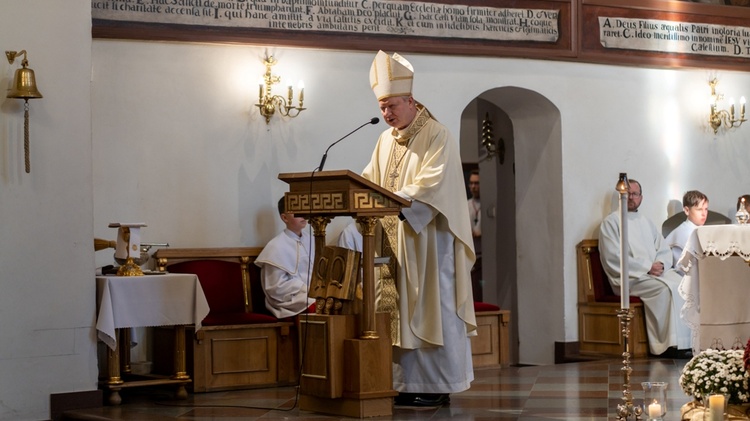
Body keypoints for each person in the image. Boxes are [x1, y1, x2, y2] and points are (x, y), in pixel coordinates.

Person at [363, 50, 476, 406]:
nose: (386, 114)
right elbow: (368, 181)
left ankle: (437, 384)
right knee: (397, 310)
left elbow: (432, 185)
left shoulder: (437, 135)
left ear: (410, 100)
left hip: (429, 242)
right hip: (394, 242)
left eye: (392, 106)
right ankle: (405, 384)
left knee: (433, 308)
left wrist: (394, 201)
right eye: (382, 108)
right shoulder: (384, 140)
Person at [598, 178, 691, 357]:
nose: (631, 197)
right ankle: (665, 345)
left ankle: (685, 343)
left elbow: (662, 248)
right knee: (663, 290)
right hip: (628, 279)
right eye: (628, 194)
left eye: (635, 194)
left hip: (653, 274)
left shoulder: (646, 221)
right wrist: (648, 267)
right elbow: (614, 257)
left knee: (683, 285)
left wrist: (661, 264)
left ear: (641, 197)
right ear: (621, 196)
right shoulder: (611, 223)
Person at [255, 197, 315, 319]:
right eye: (296, 211)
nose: (303, 215)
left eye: (303, 210)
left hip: (312, 293)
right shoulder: (275, 246)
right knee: (320, 306)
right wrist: (305, 289)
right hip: (289, 300)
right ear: (285, 218)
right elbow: (276, 287)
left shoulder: (312, 239)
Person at [665, 190, 708, 274]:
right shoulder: (682, 233)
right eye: (699, 209)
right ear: (687, 210)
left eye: (706, 209)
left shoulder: (704, 230)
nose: (704, 213)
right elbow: (681, 266)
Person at [467, 169, 483, 301]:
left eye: (476, 183)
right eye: (471, 183)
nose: (473, 186)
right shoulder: (466, 205)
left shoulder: (487, 204)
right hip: (472, 255)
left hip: (484, 255)